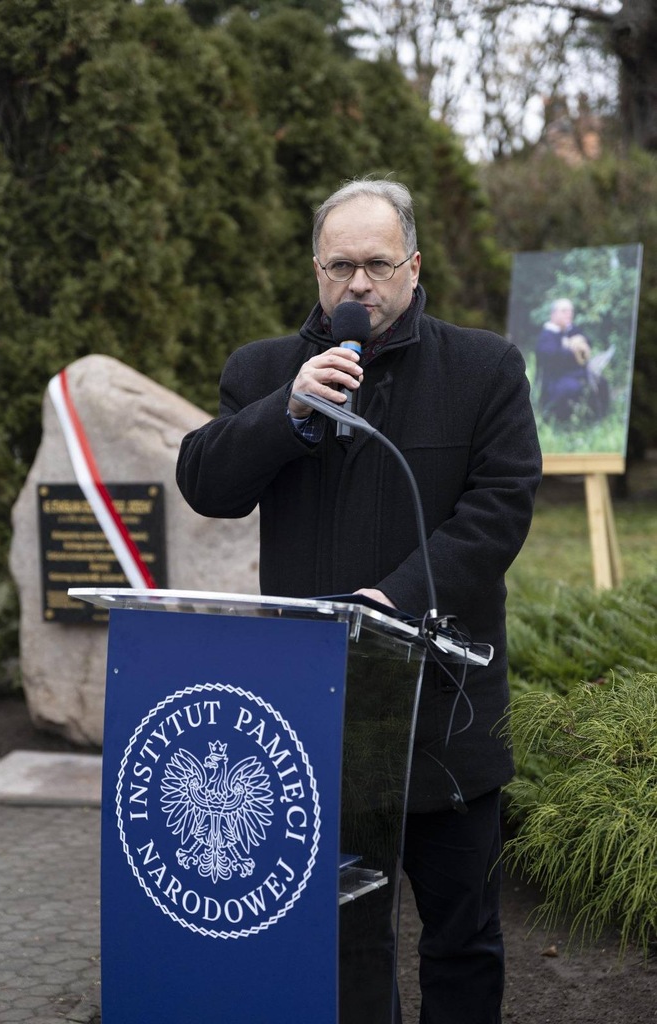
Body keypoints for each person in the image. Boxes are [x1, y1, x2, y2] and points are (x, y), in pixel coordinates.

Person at [176, 178, 542, 1023]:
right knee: (345, 936)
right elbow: (206, 483)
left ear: (414, 267)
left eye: (377, 264)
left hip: (445, 710)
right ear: (316, 270)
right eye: (341, 266)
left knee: (463, 936)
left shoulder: (483, 367)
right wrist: (289, 411)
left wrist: (391, 600)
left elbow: (498, 513)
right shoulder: (264, 372)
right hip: (317, 714)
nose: (358, 285)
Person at [535, 298, 610, 422]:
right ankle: (565, 423)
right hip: (555, 380)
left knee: (601, 381)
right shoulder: (547, 335)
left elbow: (588, 341)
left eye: (571, 311)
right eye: (564, 311)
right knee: (574, 387)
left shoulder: (571, 329)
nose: (569, 314)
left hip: (574, 373)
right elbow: (552, 357)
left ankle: (599, 418)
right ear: (553, 314)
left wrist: (580, 340)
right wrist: (571, 348)